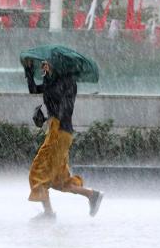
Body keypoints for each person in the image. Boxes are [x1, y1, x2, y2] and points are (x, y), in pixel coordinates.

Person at [25, 59, 103, 221]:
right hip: (58, 131)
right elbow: (34, 89)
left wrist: (48, 76)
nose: (46, 66)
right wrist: (29, 70)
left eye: (49, 63)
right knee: (59, 179)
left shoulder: (67, 83)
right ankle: (92, 195)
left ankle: (48, 214)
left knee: (37, 172)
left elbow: (63, 106)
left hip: (59, 132)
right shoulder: (55, 82)